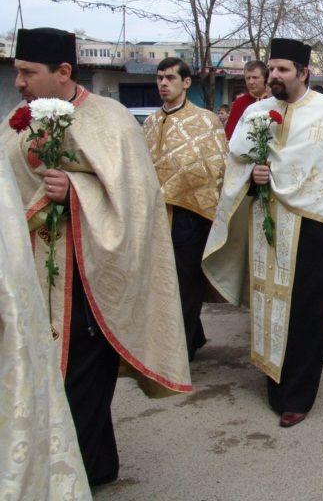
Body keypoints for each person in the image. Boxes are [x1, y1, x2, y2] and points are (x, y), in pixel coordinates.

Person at [2, 27, 191, 485]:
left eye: (28, 72)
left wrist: (75, 190)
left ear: (63, 72)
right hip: (32, 274)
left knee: (80, 382)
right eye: (17, 72)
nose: (19, 82)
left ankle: (76, 475)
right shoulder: (17, 121)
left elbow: (137, 199)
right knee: (45, 376)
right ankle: (96, 465)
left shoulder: (111, 120)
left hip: (89, 280)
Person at [203, 38, 323, 428]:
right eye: (271, 68)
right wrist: (251, 175)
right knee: (268, 304)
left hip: (316, 227)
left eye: (283, 69)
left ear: (303, 73)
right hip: (267, 226)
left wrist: (280, 177)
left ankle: (298, 395)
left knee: (308, 312)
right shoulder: (256, 112)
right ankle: (274, 380)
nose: (274, 75)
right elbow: (234, 164)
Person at [0, 150, 91, 500]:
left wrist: (75, 190)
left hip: (83, 266)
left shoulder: (111, 126)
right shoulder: (9, 133)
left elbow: (132, 188)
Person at [143, 57, 228, 360]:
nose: (163, 84)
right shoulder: (150, 123)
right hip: (157, 214)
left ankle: (180, 352)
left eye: (170, 78)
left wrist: (182, 187)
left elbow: (216, 166)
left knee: (186, 283)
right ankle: (194, 336)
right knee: (161, 281)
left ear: (186, 83)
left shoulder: (206, 120)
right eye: (159, 78)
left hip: (191, 213)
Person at [225, 60, 272, 139]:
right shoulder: (239, 103)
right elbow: (230, 134)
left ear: (265, 78)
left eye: (255, 77)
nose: (251, 82)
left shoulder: (274, 100)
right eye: (248, 78)